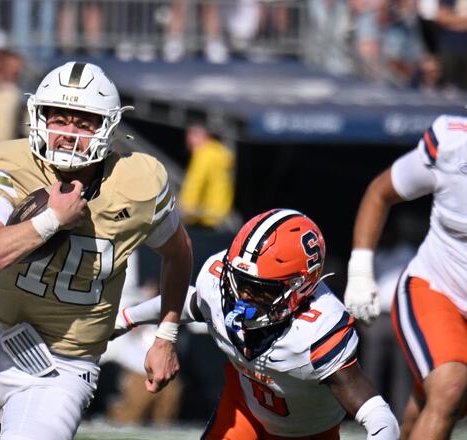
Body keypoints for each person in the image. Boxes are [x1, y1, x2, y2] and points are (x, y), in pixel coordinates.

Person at [0, 61, 193, 440]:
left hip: (66, 366)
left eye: (83, 123)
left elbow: (178, 253)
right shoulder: (14, 164)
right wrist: (49, 221)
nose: (67, 134)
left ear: (108, 127)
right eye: (58, 118)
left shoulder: (140, 181)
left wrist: (166, 337)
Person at [116, 209, 400, 439]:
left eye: (260, 288)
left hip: (308, 434)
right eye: (239, 281)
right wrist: (125, 319)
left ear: (300, 288)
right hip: (243, 410)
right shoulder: (218, 284)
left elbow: (381, 419)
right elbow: (189, 303)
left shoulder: (317, 332)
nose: (243, 295)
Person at [344, 114, 467, 439]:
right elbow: (379, 193)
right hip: (435, 288)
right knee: (450, 388)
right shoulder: (451, 148)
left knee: (436, 401)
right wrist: (359, 272)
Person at [178, 123, 235, 229]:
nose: (188, 141)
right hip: (220, 213)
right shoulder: (220, 153)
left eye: (191, 136)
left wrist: (187, 206)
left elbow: (196, 182)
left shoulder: (204, 154)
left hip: (203, 216)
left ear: (201, 136)